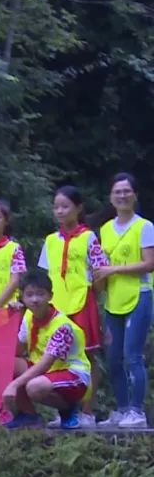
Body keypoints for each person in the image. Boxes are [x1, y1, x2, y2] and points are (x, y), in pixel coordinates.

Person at [38, 186, 108, 429]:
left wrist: (92, 294)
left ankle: (87, 410)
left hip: (81, 302)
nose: (60, 211)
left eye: (65, 206)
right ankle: (65, 411)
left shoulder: (88, 237)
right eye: (56, 206)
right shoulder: (50, 240)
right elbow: (46, 275)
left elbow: (100, 271)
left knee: (86, 357)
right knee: (58, 358)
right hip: (57, 306)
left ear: (78, 208)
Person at [95, 173, 154, 429]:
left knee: (132, 355)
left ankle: (137, 411)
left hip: (138, 295)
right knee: (113, 357)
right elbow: (100, 266)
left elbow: (149, 263)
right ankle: (121, 409)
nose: (122, 196)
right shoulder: (106, 229)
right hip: (113, 299)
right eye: (117, 192)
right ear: (110, 197)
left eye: (126, 191)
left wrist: (113, 271)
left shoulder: (145, 227)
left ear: (135, 195)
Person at [5, 271, 91, 430]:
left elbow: (45, 364)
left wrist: (14, 385)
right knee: (6, 364)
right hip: (48, 372)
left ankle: (68, 409)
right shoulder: (28, 316)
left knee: (34, 387)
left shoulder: (62, 326)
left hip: (73, 375)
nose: (35, 299)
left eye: (40, 294)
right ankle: (29, 415)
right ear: (22, 298)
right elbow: (17, 351)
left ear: (50, 296)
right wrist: (13, 318)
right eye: (29, 295)